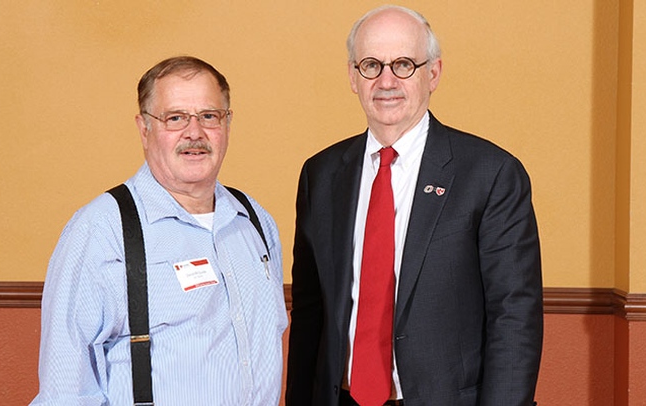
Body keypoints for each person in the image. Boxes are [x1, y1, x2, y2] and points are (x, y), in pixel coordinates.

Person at [286, 5, 542, 406]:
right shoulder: (320, 175)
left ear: (433, 73)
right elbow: (309, 313)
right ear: (353, 77)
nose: (386, 80)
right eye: (371, 65)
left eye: (404, 64)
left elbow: (515, 317)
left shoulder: (490, 174)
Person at [31, 56, 288, 405]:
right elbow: (66, 392)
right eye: (175, 118)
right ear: (144, 128)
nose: (194, 133)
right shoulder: (101, 232)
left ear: (228, 123)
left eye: (209, 116)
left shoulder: (254, 222)